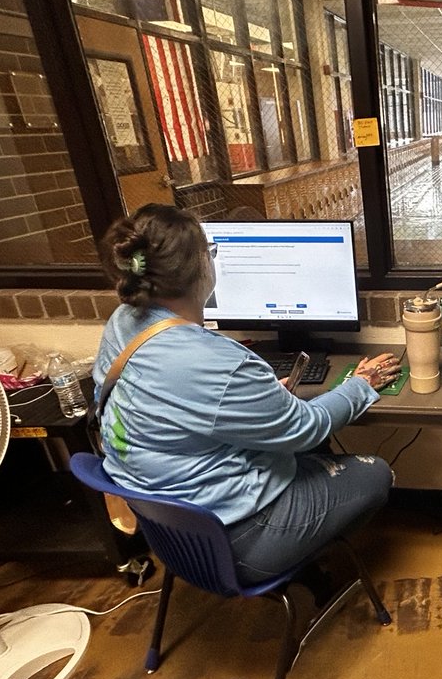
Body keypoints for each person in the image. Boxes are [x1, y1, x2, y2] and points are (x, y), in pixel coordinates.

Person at [92, 203, 401, 584]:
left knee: (309, 455)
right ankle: (299, 556)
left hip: (171, 535)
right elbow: (306, 428)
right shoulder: (220, 363)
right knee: (376, 473)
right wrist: (360, 385)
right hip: (235, 543)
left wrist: (258, 401)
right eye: (210, 251)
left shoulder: (122, 322)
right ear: (202, 267)